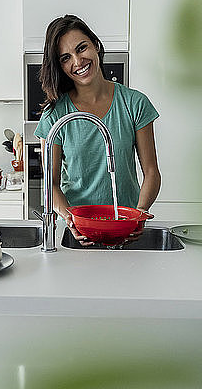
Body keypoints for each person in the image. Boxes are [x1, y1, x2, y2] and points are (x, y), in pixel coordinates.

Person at [34, 15, 161, 245]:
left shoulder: (135, 104)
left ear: (96, 45)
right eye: (66, 58)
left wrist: (139, 214)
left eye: (81, 48)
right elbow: (50, 183)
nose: (78, 61)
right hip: (79, 232)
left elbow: (151, 172)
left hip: (125, 229)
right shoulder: (55, 115)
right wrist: (69, 217)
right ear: (60, 66)